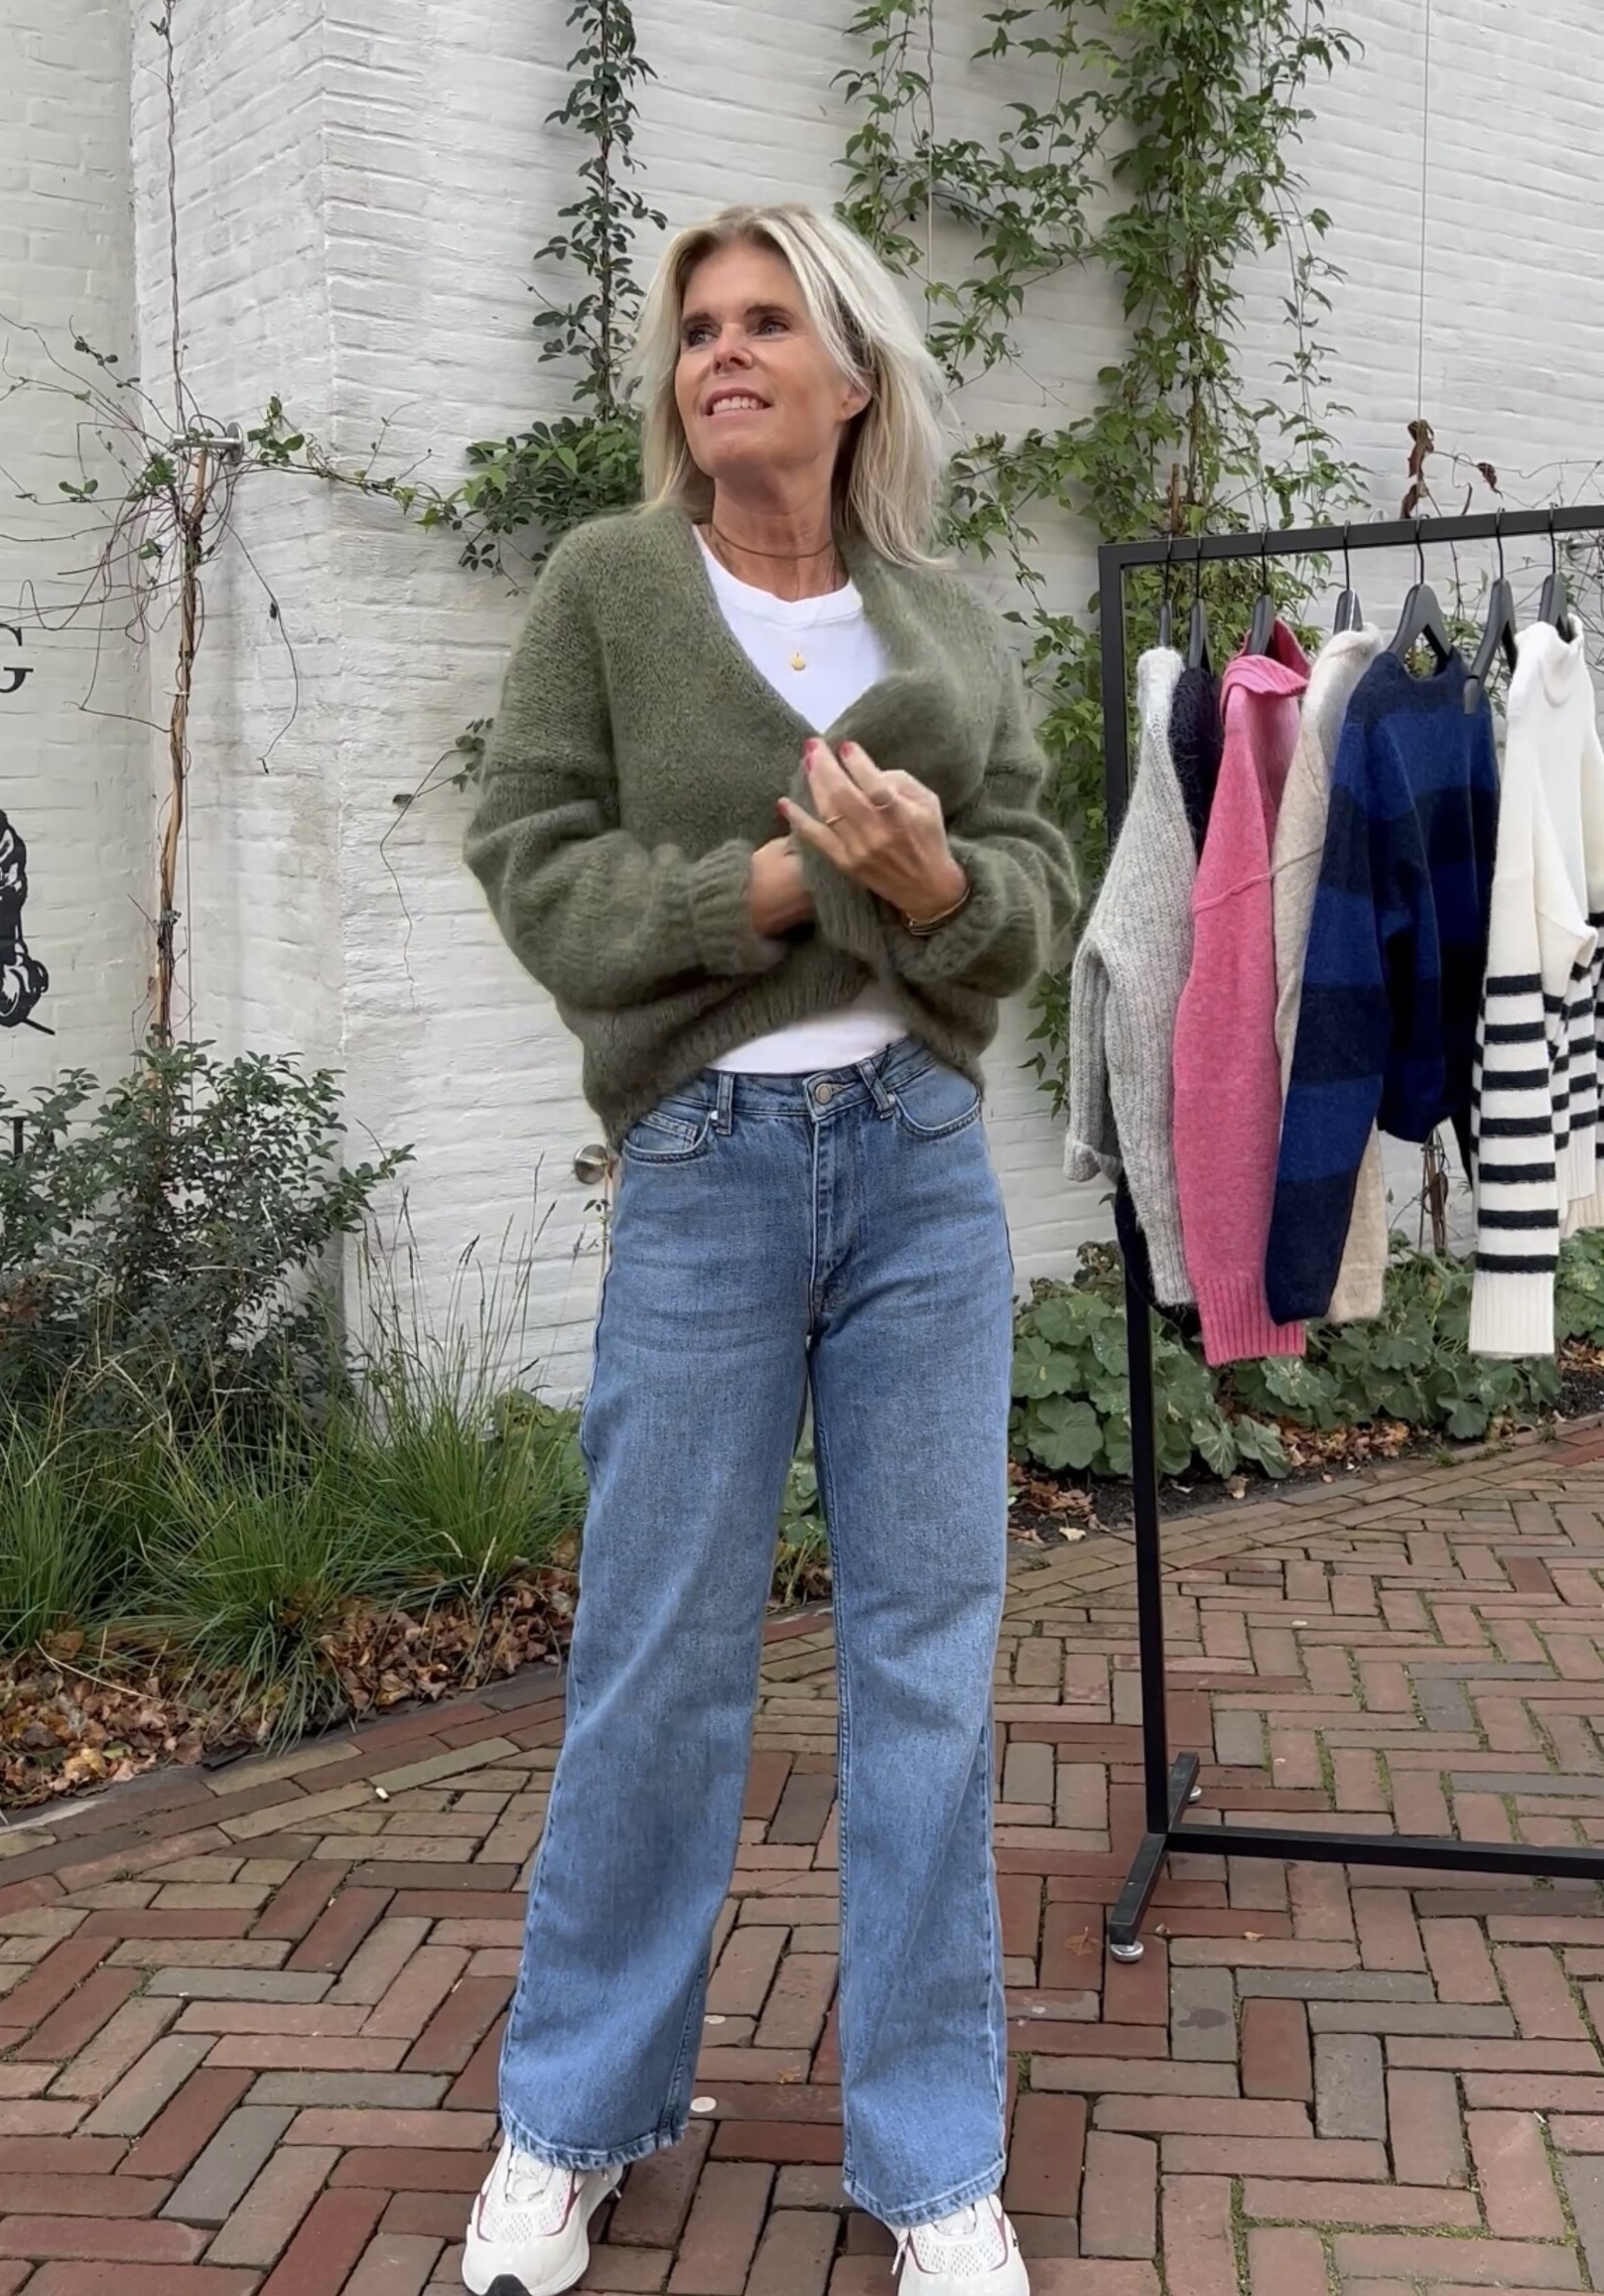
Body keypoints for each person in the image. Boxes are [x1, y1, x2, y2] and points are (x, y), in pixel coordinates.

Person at [461, 200, 1076, 2296]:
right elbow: (533, 863)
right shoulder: (611, 589)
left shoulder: (947, 621)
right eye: (697, 326)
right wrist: (789, 887)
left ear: (852, 376)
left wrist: (943, 886)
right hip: (707, 1168)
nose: (719, 351)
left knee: (926, 1670)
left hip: (918, 1168)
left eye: (765, 322)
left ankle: (934, 2164)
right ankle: (568, 2121)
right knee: (654, 1661)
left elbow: (1027, 882)